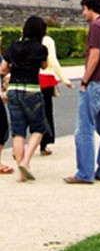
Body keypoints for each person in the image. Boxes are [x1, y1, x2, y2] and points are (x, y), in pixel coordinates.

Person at [66, 0, 100, 185]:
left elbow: (94, 56)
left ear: (90, 8)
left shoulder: (96, 26)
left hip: (97, 81)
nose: (83, 13)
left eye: (84, 9)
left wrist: (84, 80)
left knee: (84, 128)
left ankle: (84, 173)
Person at [2, 16, 50, 181]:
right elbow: (44, 66)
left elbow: (3, 68)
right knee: (38, 128)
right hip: (31, 89)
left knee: (18, 131)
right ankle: (26, 161)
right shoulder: (40, 48)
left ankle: (21, 173)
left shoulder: (14, 45)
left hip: (14, 89)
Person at [37, 28, 73, 156]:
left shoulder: (23, 41)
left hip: (30, 79)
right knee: (46, 112)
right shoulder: (47, 41)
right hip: (45, 78)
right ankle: (44, 144)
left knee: (26, 114)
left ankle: (18, 145)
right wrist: (64, 79)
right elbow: (52, 61)